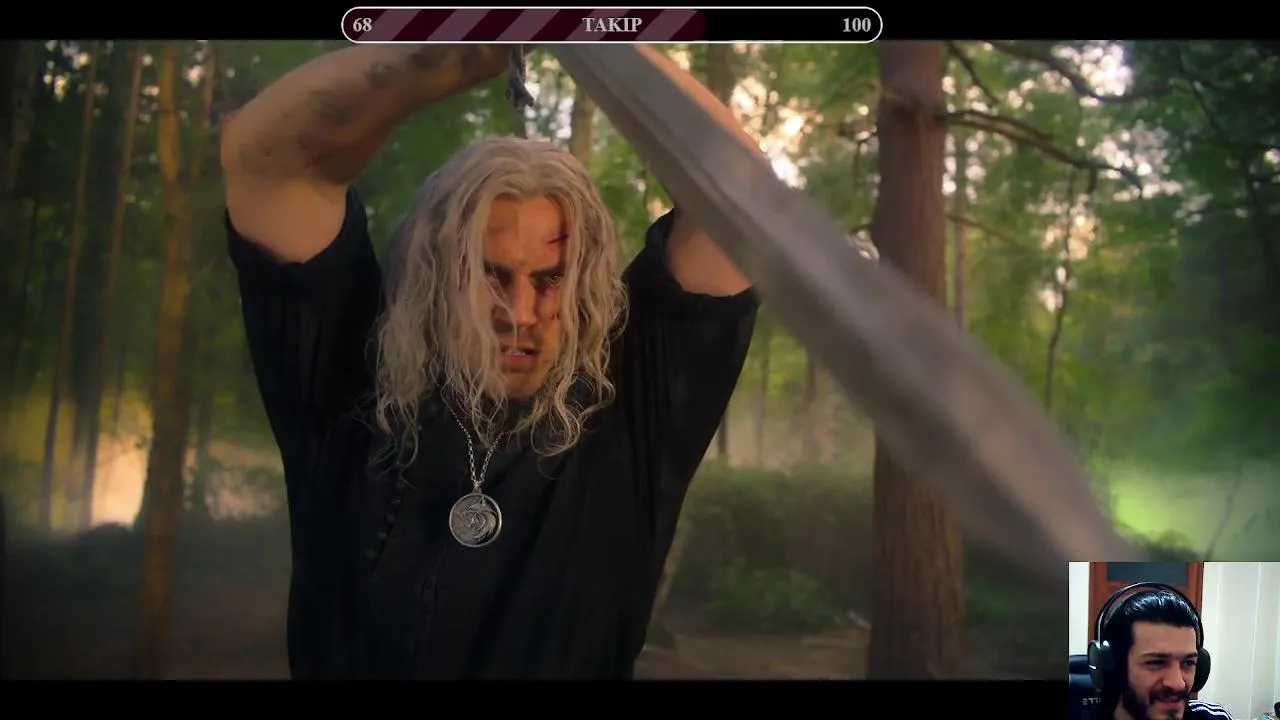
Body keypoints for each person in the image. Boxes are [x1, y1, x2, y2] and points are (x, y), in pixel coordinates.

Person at [219, 44, 759, 679]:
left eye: (552, 279)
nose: (520, 312)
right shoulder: (351, 377)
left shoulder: (629, 408)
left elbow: (743, 193)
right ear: (435, 276)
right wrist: (466, 39)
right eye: (490, 274)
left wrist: (585, 32)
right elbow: (266, 157)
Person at [1090, 586, 1234, 720]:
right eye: (1156, 662)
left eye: (1188, 663)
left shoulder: (1216, 717)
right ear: (1114, 668)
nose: (1178, 684)